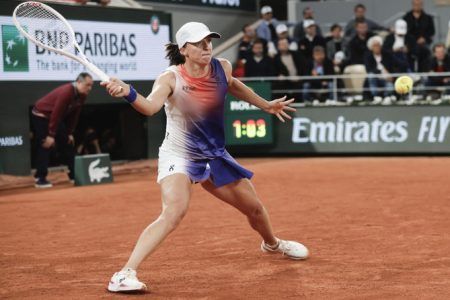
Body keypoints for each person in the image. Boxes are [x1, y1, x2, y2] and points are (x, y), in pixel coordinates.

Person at [101, 22, 309, 293]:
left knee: (255, 208)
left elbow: (233, 85)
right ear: (184, 49)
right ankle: (124, 273)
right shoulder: (170, 78)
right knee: (174, 211)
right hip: (180, 155)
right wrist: (127, 92)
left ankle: (272, 244)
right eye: (199, 43)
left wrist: (266, 105)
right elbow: (150, 107)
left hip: (214, 155)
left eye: (209, 41)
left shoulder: (221, 67)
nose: (206, 46)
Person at [31, 72, 93, 188]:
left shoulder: (82, 95)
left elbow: (75, 115)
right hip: (41, 115)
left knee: (67, 144)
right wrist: (50, 135)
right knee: (46, 144)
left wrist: (70, 132)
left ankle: (75, 175)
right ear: (78, 82)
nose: (89, 88)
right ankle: (40, 178)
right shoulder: (66, 92)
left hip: (55, 118)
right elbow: (56, 113)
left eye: (91, 86)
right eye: (87, 85)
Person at [403, 0, 435, 72]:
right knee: (407, 54)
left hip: (423, 43)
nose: (417, 6)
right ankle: (410, 73)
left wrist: (424, 38)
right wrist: (410, 42)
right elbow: (404, 32)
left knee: (426, 53)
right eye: (415, 4)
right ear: (412, 5)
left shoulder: (428, 18)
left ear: (422, 5)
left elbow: (431, 31)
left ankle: (423, 73)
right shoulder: (406, 17)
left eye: (419, 4)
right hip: (410, 44)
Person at [364, 36, 396, 104]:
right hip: (375, 77)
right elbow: (369, 69)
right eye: (375, 46)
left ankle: (387, 96)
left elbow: (392, 67)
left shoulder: (387, 55)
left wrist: (389, 75)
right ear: (371, 47)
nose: (377, 47)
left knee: (389, 84)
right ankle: (376, 96)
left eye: (378, 45)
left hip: (386, 78)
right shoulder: (368, 56)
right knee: (371, 75)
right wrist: (381, 72)